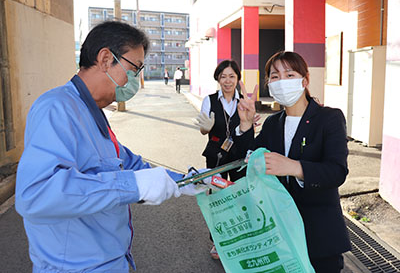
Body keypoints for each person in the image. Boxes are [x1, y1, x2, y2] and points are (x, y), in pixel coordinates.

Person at [14, 21, 203, 273]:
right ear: (105, 59)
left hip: (112, 262)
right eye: (134, 68)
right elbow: (36, 195)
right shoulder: (57, 108)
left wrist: (186, 180)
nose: (136, 79)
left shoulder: (92, 113)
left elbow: (130, 163)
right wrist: (132, 186)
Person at [235, 51, 351, 273]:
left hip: (319, 236)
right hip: (280, 233)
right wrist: (246, 126)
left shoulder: (329, 118)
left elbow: (337, 171)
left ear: (304, 80)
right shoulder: (272, 124)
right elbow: (248, 164)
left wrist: (295, 167)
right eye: (275, 76)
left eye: (289, 74)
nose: (282, 81)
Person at [194, 59, 259, 260]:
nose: (228, 80)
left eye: (232, 76)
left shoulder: (244, 100)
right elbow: (204, 128)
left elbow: (249, 129)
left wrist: (250, 122)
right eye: (223, 76)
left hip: (239, 156)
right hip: (217, 156)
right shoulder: (210, 100)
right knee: (219, 199)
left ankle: (241, 239)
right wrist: (207, 127)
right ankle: (218, 242)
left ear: (238, 78)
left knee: (241, 196)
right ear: (218, 79)